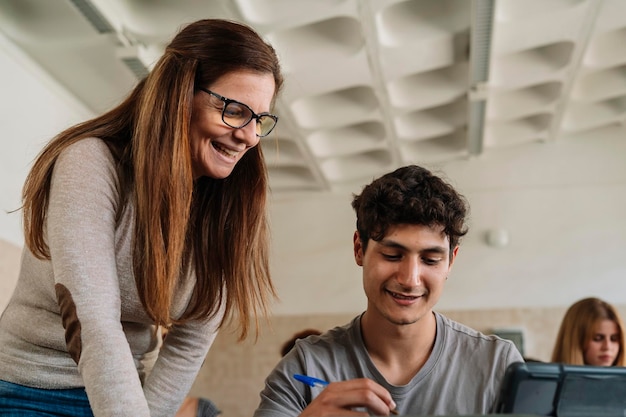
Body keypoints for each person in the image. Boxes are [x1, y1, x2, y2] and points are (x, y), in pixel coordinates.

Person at [0, 18, 283, 417]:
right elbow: (93, 321)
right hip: (28, 388)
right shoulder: (91, 163)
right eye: (235, 110)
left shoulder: (228, 206)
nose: (249, 136)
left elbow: (188, 345)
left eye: (260, 120)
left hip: (131, 391)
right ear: (179, 95)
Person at [253, 165, 524, 417]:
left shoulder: (497, 366)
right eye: (393, 255)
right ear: (359, 249)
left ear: (451, 261)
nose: (409, 279)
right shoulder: (305, 366)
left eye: (430, 259)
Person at [551, 297, 625, 366]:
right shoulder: (548, 379)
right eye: (598, 338)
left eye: (614, 338)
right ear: (577, 339)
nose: (607, 347)